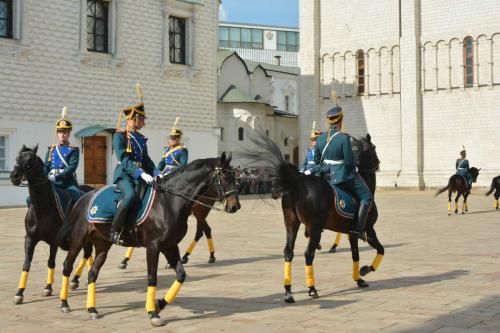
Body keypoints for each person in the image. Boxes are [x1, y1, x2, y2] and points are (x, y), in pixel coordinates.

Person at [109, 83, 162, 245]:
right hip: (125, 175)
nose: (144, 123)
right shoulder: (119, 136)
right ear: (134, 119)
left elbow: (146, 160)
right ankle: (114, 231)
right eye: (142, 120)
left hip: (140, 176)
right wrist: (140, 173)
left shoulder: (140, 138)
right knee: (130, 196)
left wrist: (156, 172)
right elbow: (124, 160)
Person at [314, 105, 373, 241]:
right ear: (341, 120)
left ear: (329, 121)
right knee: (366, 197)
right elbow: (349, 162)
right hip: (341, 175)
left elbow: (317, 160)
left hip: (324, 175)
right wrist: (354, 168)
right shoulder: (344, 138)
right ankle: (358, 230)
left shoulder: (320, 138)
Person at [44, 106, 82, 204]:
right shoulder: (52, 149)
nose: (62, 134)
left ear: (68, 133)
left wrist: (57, 177)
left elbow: (72, 167)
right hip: (50, 181)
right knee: (31, 199)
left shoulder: (73, 149)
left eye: (65, 132)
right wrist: (45, 176)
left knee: (77, 196)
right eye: (60, 132)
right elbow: (46, 166)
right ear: (57, 134)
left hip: (67, 182)